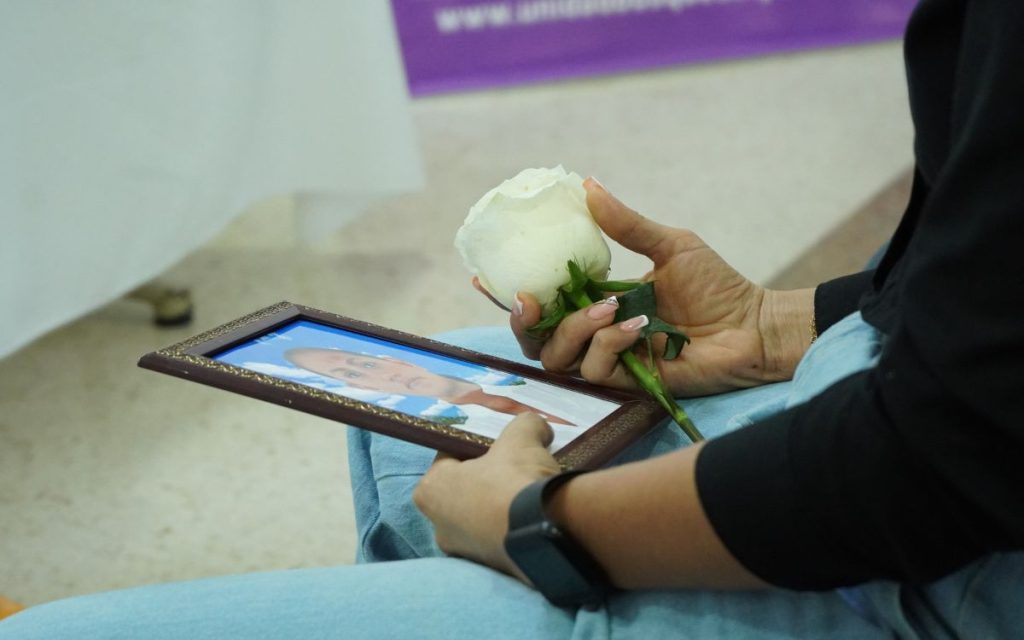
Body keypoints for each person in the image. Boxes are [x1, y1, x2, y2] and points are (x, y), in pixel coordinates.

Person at [2, 0, 1022, 637]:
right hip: (905, 414)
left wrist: (540, 524)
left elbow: (936, 460)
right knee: (433, 399)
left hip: (947, 576)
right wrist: (776, 325)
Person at [282, 347, 610, 437]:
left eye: (365, 364)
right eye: (352, 375)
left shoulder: (519, 378)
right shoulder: (463, 431)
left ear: (395, 358)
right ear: (361, 388)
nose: (384, 375)